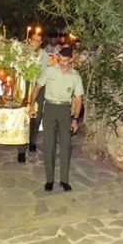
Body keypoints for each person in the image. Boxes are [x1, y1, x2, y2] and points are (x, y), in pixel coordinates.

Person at [28, 47, 83, 192]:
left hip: (64, 109)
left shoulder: (75, 76)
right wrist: (32, 106)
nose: (62, 63)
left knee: (66, 145)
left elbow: (78, 99)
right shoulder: (50, 70)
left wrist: (75, 119)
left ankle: (64, 180)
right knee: (49, 144)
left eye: (65, 61)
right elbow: (37, 87)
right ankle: (49, 179)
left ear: (71, 60)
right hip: (50, 108)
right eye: (60, 60)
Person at [17, 32, 50, 163]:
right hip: (23, 87)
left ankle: (32, 141)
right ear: (29, 40)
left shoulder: (44, 55)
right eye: (33, 40)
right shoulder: (21, 53)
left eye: (38, 40)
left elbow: (44, 73)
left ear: (41, 43)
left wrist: (37, 87)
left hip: (38, 87)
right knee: (22, 116)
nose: (35, 42)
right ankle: (21, 149)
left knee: (36, 116)